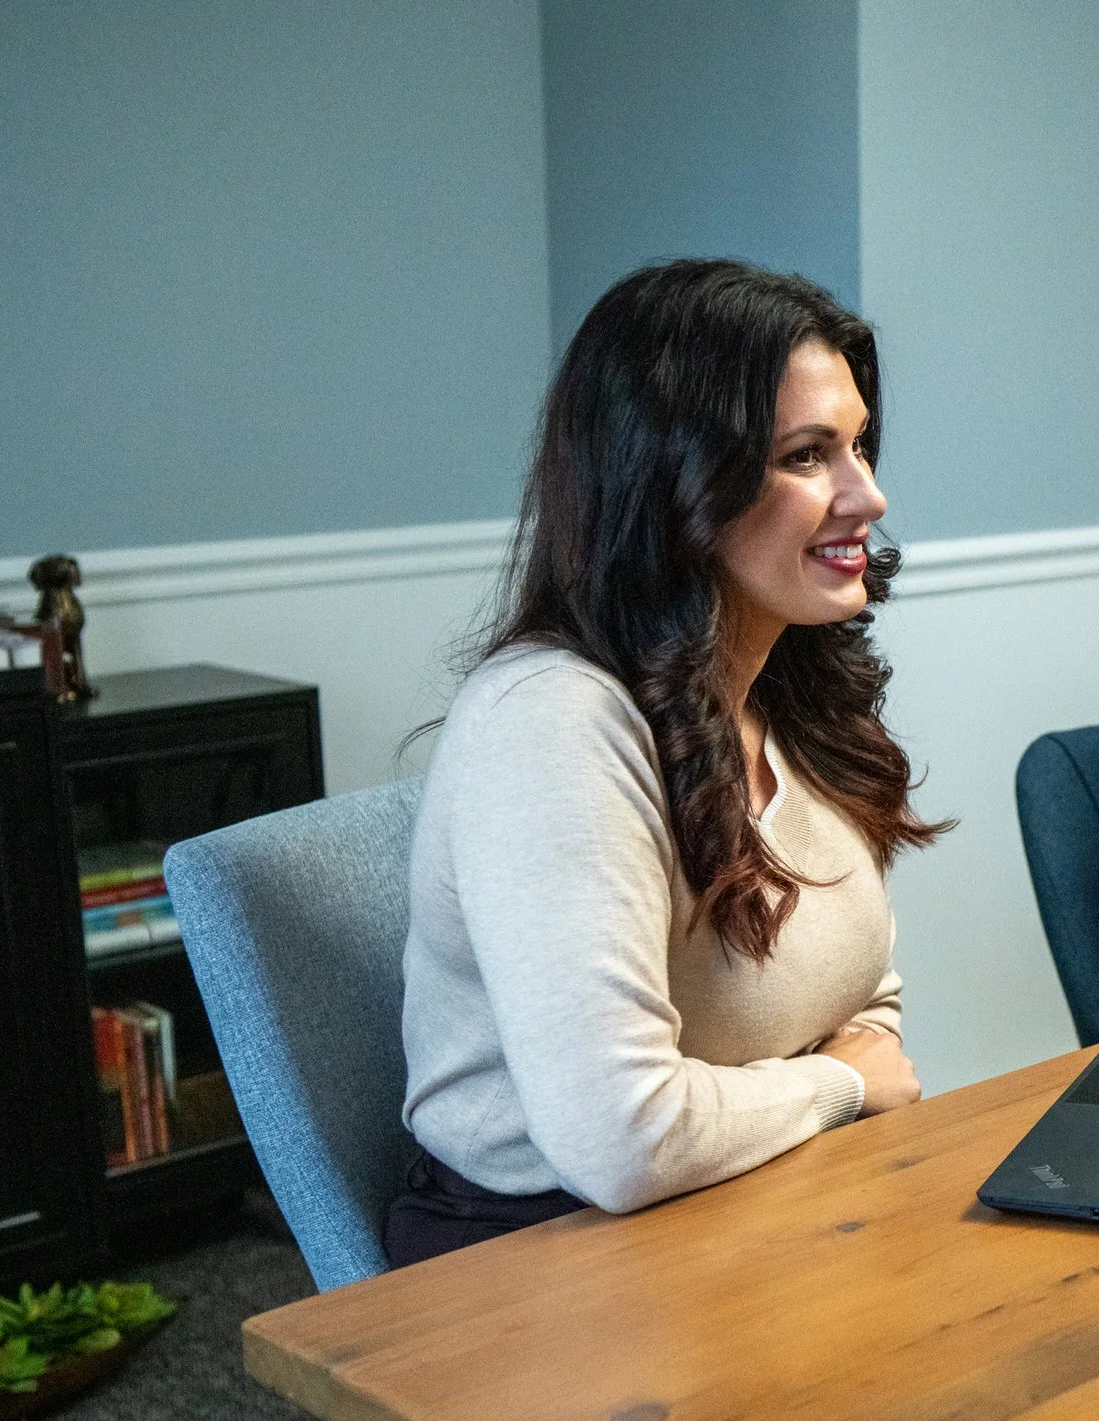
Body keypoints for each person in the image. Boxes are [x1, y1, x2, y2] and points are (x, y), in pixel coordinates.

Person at [385, 260, 944, 1267]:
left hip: (755, 1194)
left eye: (857, 444)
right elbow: (621, 1137)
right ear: (676, 486)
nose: (869, 493)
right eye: (808, 455)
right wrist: (836, 1088)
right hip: (539, 1258)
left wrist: (841, 1081)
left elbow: (865, 999)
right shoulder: (548, 722)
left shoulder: (786, 689)